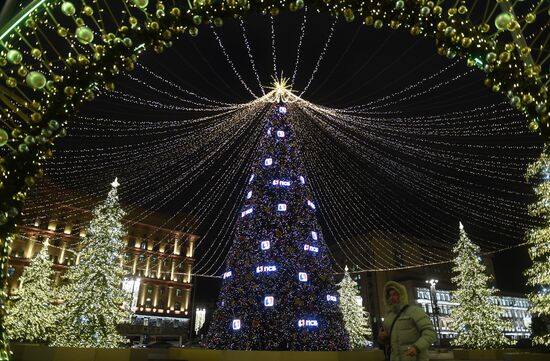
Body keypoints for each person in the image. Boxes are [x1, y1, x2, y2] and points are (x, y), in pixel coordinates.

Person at [378, 281, 436, 361]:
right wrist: (383, 338)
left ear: (402, 295)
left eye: (395, 294)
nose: (392, 297)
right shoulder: (389, 317)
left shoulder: (415, 311)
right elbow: (391, 341)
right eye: (390, 295)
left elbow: (430, 333)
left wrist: (417, 347)